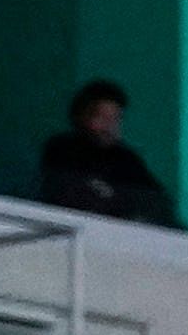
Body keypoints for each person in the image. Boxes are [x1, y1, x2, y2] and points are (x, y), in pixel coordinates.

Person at [35, 78, 175, 225]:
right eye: (102, 117)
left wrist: (113, 195)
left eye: (115, 118)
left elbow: (158, 202)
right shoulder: (61, 148)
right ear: (82, 117)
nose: (109, 126)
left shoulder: (127, 159)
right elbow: (68, 193)